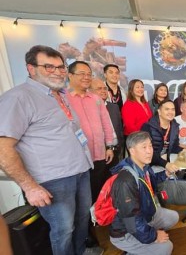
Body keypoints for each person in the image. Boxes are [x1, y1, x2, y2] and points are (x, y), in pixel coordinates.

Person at [0, 45, 93, 254]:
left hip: (80, 172)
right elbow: (3, 147)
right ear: (31, 69)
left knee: (82, 220)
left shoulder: (60, 94)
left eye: (61, 67)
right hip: (53, 180)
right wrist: (30, 187)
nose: (58, 72)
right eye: (49, 67)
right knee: (64, 230)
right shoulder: (18, 98)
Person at [109, 131, 179, 255]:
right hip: (125, 232)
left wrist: (165, 174)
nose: (149, 151)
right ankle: (131, 250)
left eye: (150, 146)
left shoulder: (142, 166)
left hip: (144, 216)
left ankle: (142, 245)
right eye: (144, 147)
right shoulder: (125, 181)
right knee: (166, 248)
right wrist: (154, 235)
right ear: (132, 151)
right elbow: (132, 222)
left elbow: (150, 182)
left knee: (173, 217)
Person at [67, 61, 115, 203]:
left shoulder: (96, 99)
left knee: (97, 190)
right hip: (78, 158)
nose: (86, 77)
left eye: (89, 74)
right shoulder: (64, 99)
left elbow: (106, 124)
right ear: (70, 75)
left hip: (99, 154)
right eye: (82, 74)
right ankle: (86, 223)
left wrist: (109, 146)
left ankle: (97, 220)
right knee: (81, 197)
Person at [141, 100, 181, 174]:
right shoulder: (147, 127)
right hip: (149, 165)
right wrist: (165, 164)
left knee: (180, 171)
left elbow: (174, 147)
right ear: (159, 112)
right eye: (167, 109)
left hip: (166, 162)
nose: (170, 112)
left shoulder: (175, 126)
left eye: (173, 109)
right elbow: (146, 152)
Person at [90, 78, 124, 165]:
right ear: (89, 91)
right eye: (99, 89)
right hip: (100, 153)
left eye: (105, 88)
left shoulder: (114, 107)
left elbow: (119, 128)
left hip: (116, 151)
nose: (103, 91)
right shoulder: (89, 109)